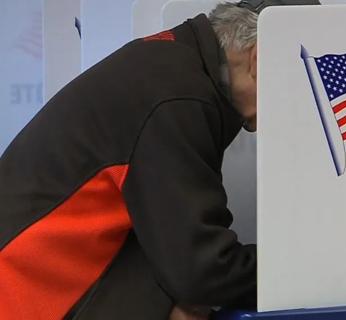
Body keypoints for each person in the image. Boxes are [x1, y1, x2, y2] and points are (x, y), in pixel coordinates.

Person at [0, 0, 318, 319]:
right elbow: (204, 270)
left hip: (59, 264)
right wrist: (319, 272)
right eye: (301, 89)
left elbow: (186, 249)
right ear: (260, 60)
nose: (285, 118)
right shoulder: (177, 98)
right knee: (188, 308)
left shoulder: (175, 61)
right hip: (32, 291)